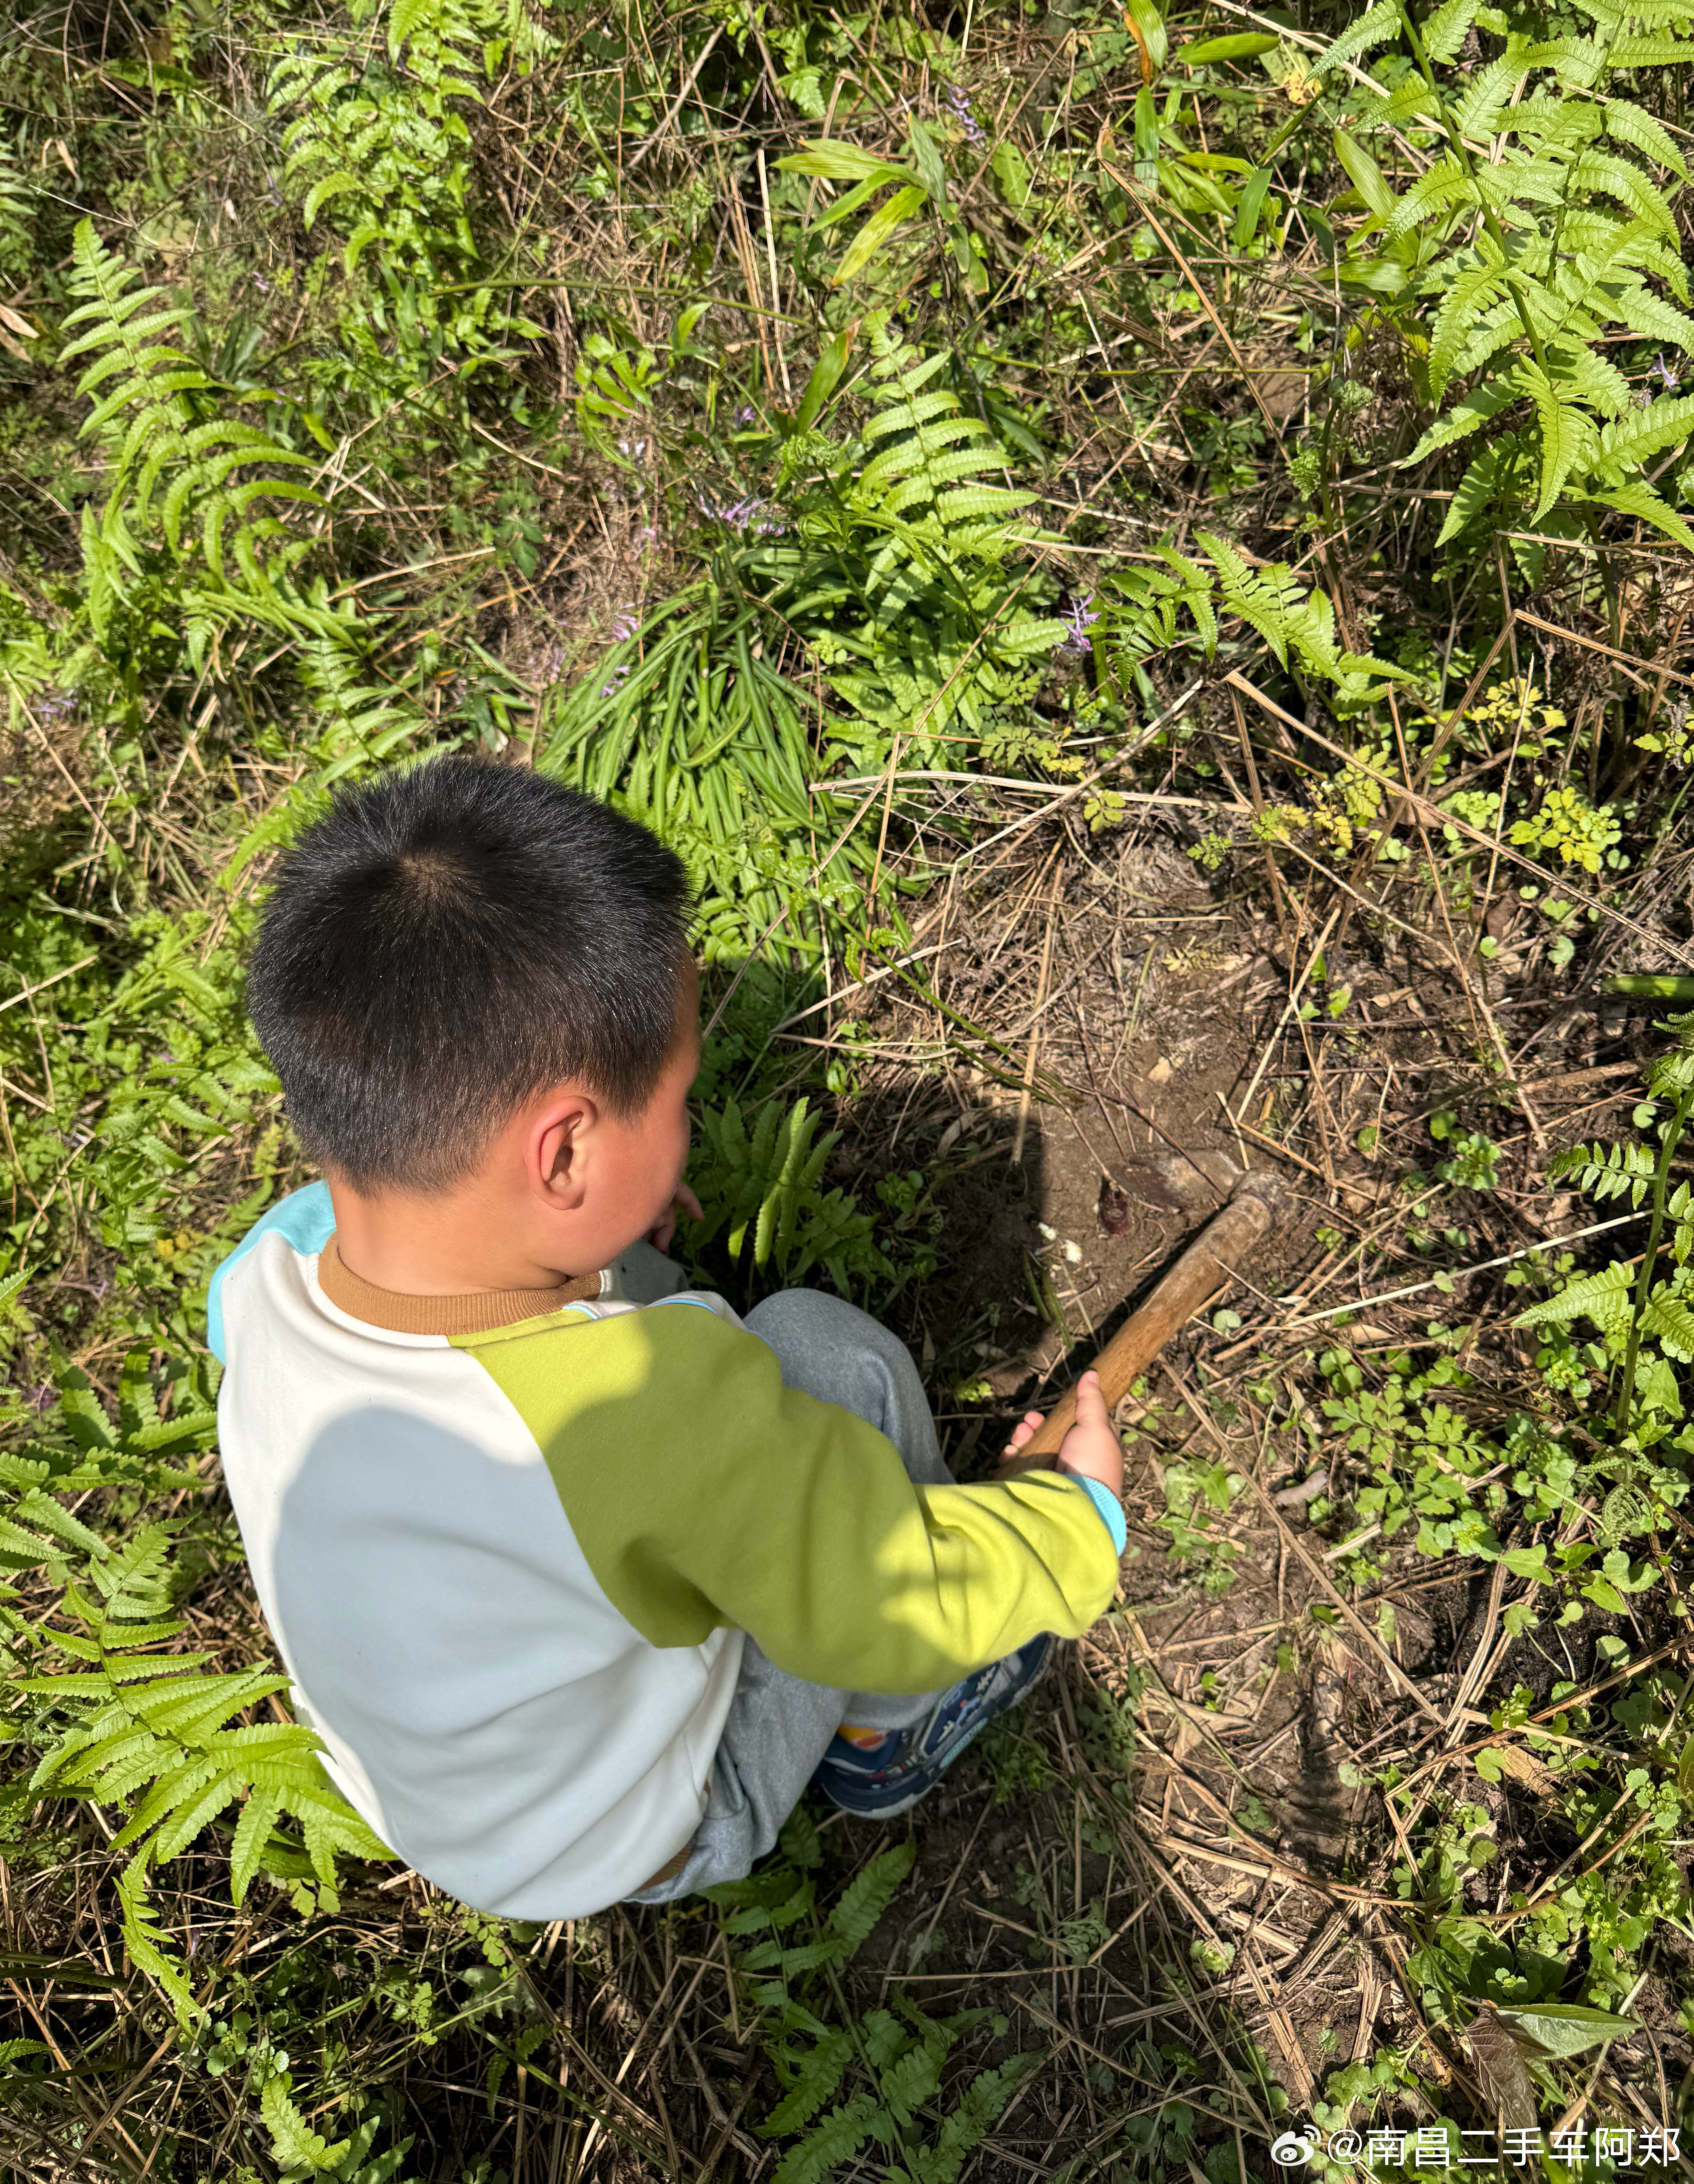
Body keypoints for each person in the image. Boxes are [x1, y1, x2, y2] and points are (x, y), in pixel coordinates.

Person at [210, 756, 1126, 1920]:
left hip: (459, 1810)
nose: (691, 1127)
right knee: (828, 1358)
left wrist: (608, 1222)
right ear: (565, 1155)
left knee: (622, 1278)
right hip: (654, 1826)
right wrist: (1069, 1521)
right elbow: (892, 1598)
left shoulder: (263, 1275)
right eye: (682, 1101)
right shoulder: (647, 1420)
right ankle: (883, 1744)